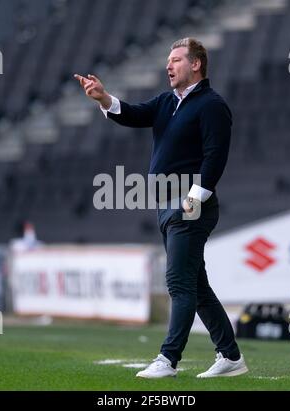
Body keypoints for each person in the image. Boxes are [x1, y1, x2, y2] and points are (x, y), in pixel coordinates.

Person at [74, 37, 248, 379]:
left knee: (179, 284)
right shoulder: (168, 102)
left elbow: (216, 155)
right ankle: (230, 356)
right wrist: (104, 99)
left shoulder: (211, 104)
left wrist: (194, 198)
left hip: (190, 205)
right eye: (168, 61)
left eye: (176, 60)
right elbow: (135, 114)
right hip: (166, 205)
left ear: (196, 64)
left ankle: (168, 359)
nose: (168, 66)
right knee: (196, 287)